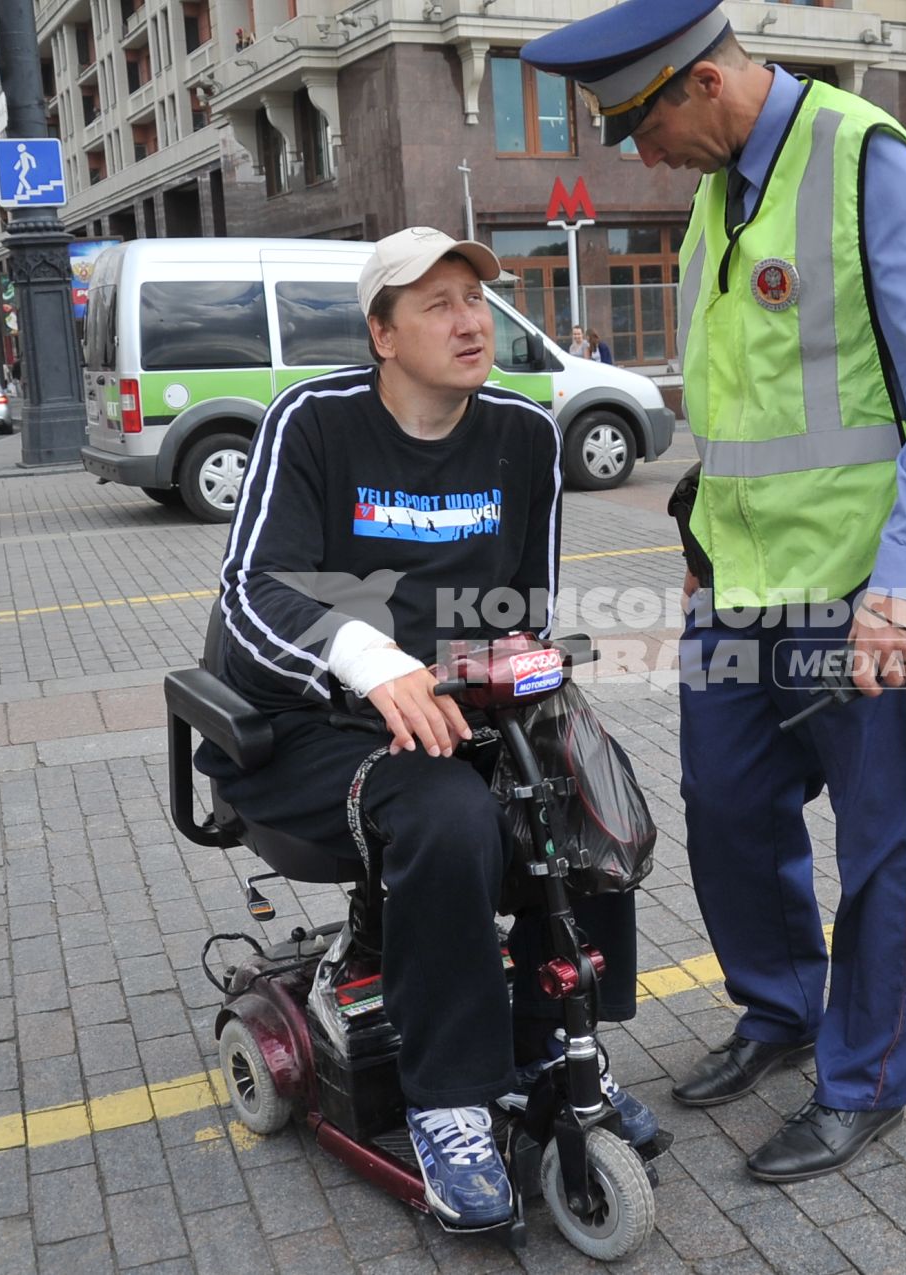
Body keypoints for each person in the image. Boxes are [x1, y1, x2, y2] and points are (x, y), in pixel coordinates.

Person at [526, 0, 906, 1184]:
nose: (641, 157)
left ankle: (864, 1078)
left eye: (643, 127)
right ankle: (781, 1010)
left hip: (858, 588)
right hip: (735, 595)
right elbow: (746, 405)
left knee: (887, 847)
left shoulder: (861, 157)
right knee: (732, 817)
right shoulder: (714, 203)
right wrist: (701, 537)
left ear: (702, 84)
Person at [195, 227, 654, 1227]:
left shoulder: (523, 437)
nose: (469, 319)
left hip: (452, 709)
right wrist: (372, 661)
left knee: (576, 793)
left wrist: (519, 679)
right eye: (437, 303)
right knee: (451, 820)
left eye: (476, 300)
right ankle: (450, 1101)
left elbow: (523, 605)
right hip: (301, 722)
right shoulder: (312, 423)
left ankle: (553, 1046)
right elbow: (251, 589)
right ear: (383, 334)